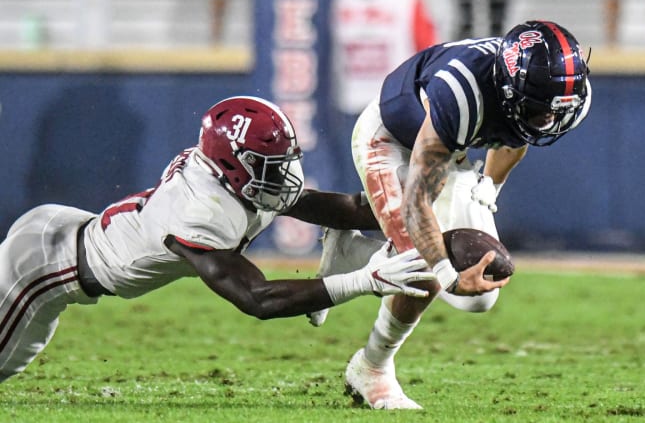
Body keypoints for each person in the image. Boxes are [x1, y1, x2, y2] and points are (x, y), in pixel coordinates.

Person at [0, 96, 436, 383]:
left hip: (65, 232)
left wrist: (428, 192)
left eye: (286, 158)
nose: (284, 172)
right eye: (270, 163)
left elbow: (342, 208)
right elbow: (257, 298)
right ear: (233, 165)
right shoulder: (199, 210)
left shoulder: (236, 175)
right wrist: (365, 280)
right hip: (42, 267)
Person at [313, 20, 592, 409]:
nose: (548, 120)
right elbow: (417, 201)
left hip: (448, 147)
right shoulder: (463, 91)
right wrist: (445, 273)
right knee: (423, 271)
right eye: (537, 109)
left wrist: (486, 189)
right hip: (391, 137)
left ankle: (353, 253)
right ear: (511, 89)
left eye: (552, 111)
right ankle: (372, 368)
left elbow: (518, 136)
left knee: (481, 290)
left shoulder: (561, 92)